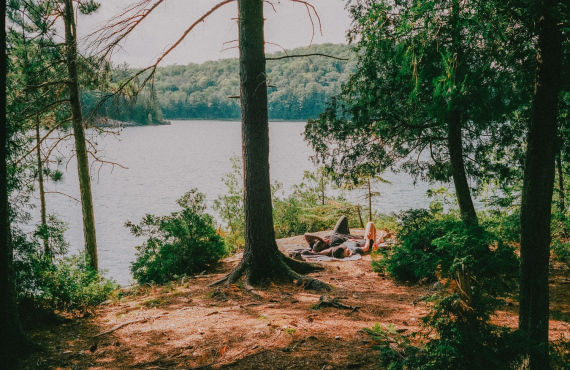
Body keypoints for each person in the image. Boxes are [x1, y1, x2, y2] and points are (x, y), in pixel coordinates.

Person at [303, 217, 379, 258]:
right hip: (364, 241)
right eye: (324, 242)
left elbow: (306, 235)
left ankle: (379, 239)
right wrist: (368, 239)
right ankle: (377, 241)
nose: (326, 239)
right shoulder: (335, 247)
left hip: (342, 235)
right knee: (370, 224)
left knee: (344, 218)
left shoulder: (335, 247)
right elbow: (365, 248)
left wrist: (321, 239)